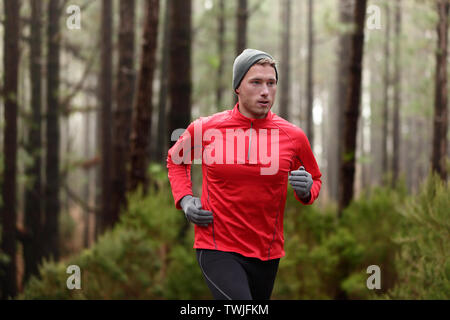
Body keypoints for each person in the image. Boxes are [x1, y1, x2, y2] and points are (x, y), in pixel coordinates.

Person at [167, 48, 322, 300]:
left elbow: (315, 179)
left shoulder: (292, 136)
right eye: (256, 82)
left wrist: (306, 190)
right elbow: (175, 160)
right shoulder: (207, 128)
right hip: (217, 246)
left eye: (271, 83)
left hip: (267, 253)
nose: (265, 91)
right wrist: (185, 200)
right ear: (237, 87)